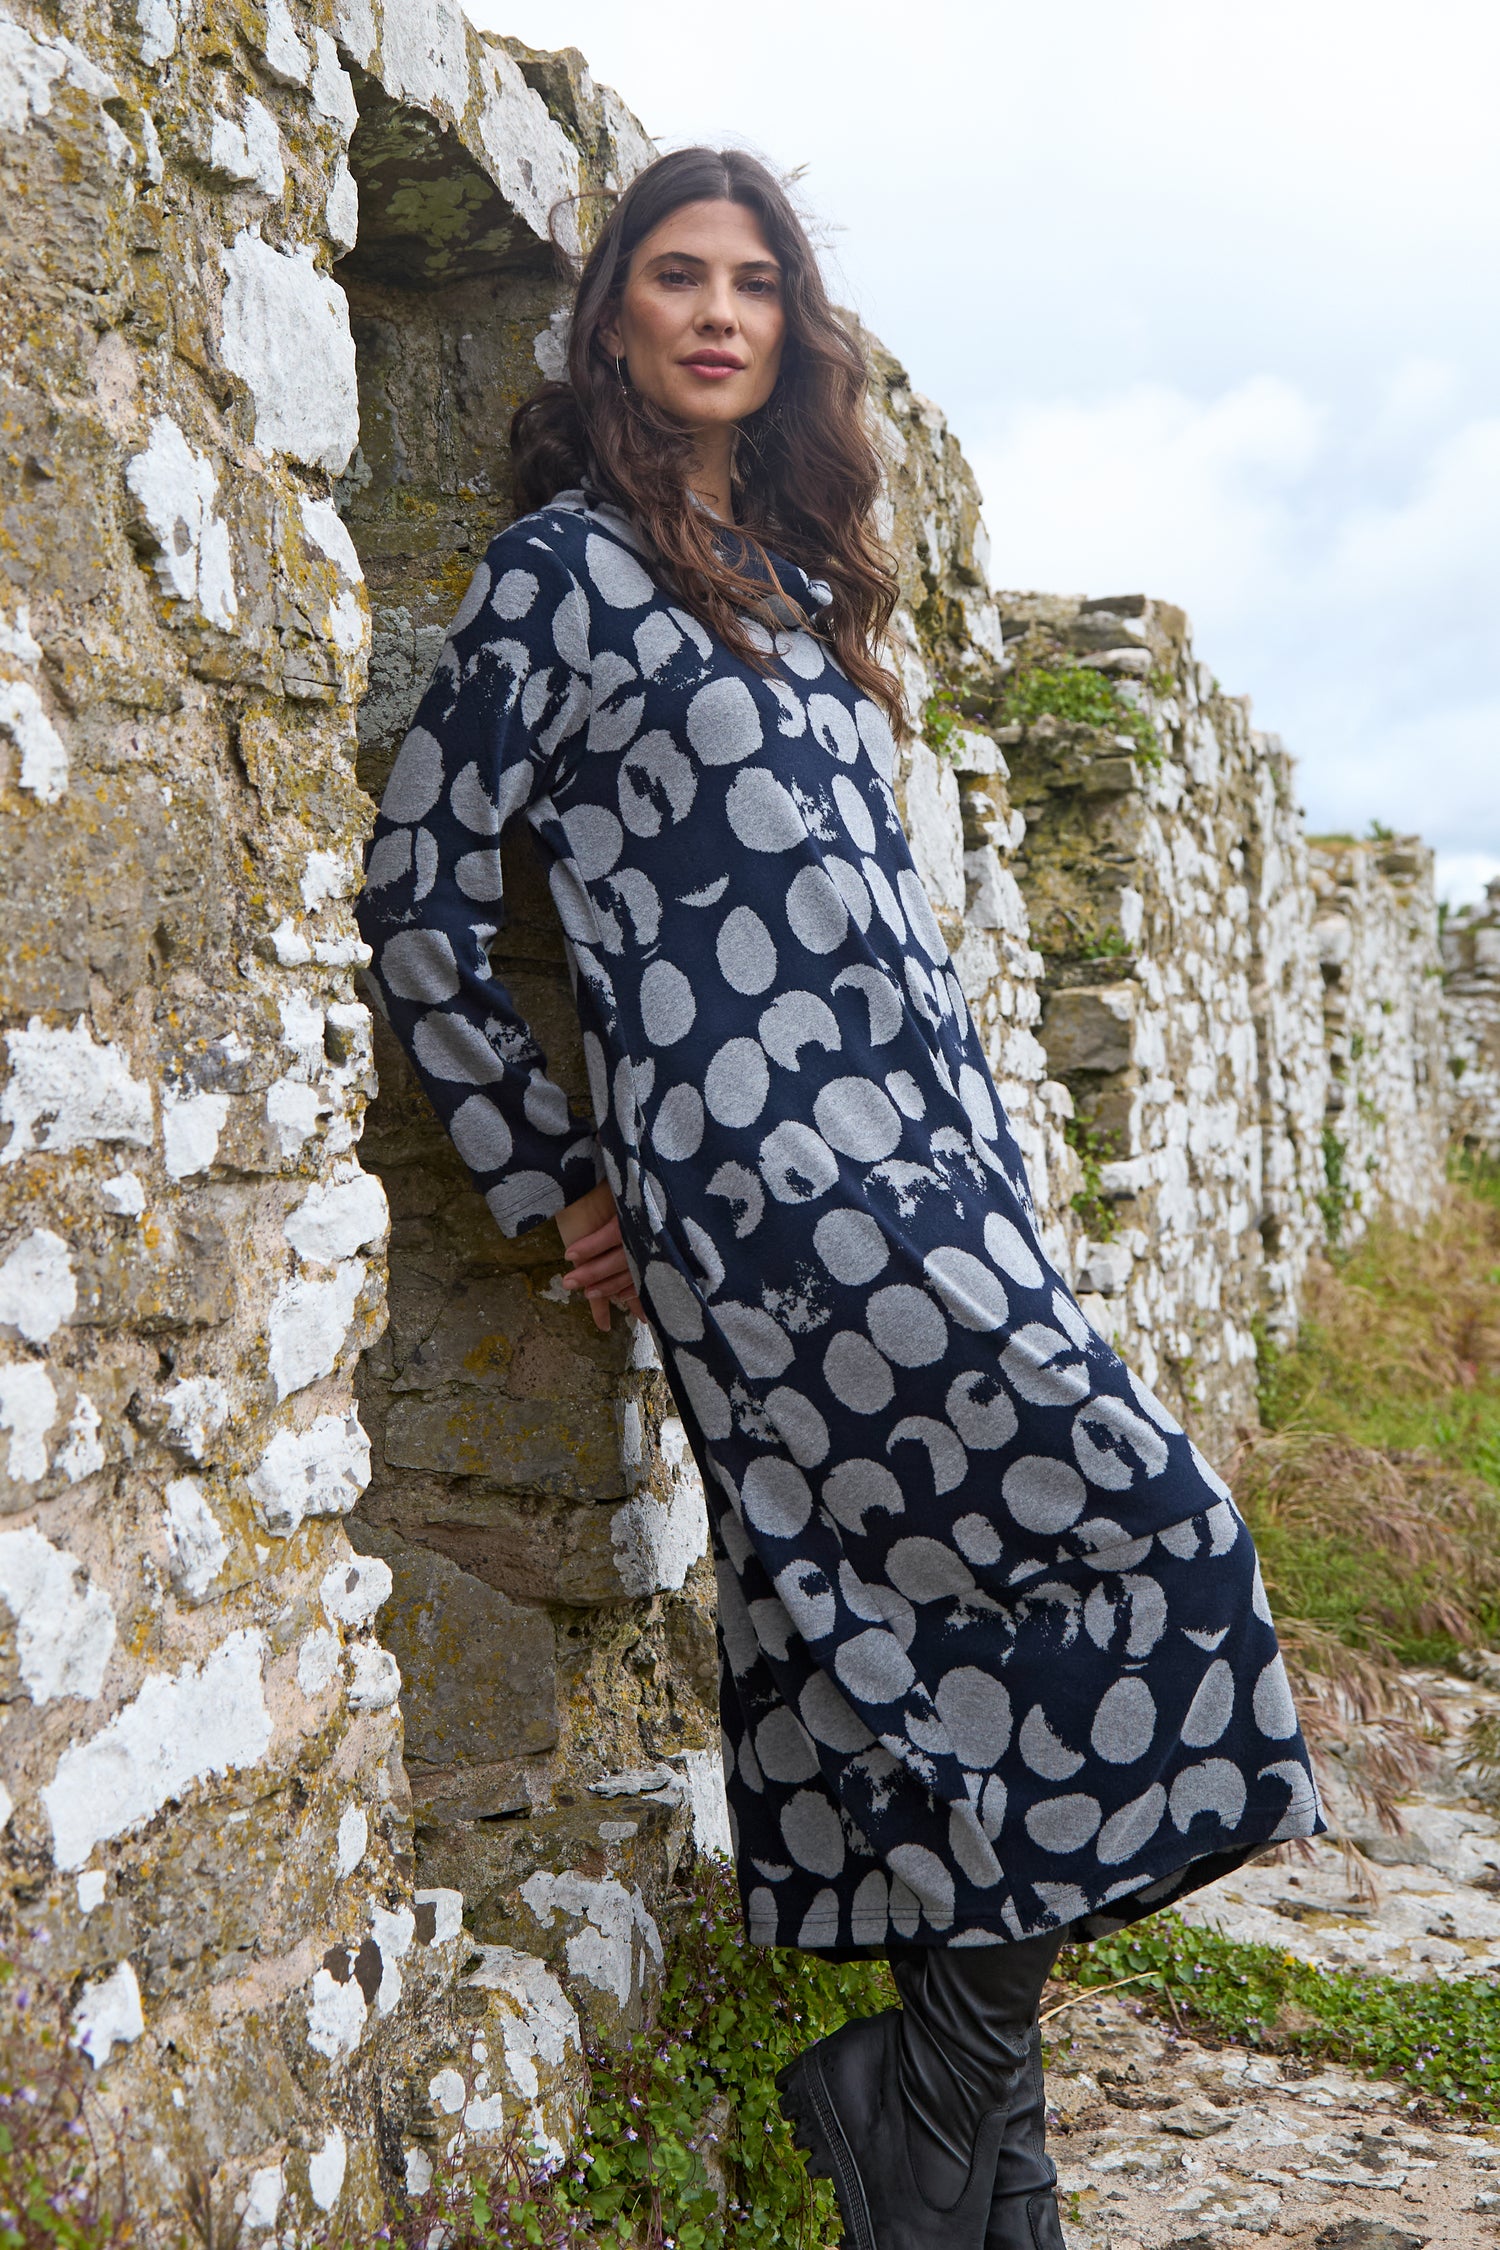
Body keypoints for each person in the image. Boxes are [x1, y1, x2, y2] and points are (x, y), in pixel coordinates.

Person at [356, 144, 1322, 2250]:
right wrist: (549, 1180)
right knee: (1171, 1543)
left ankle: (985, 2187)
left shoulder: (796, 585)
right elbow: (418, 894)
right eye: (676, 277)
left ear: (793, 329)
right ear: (608, 315)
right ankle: (921, 2105)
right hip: (767, 1202)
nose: (717, 311)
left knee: (930, 1641)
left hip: (930, 1170)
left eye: (755, 282)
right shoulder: (558, 577)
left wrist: (981, 1165)